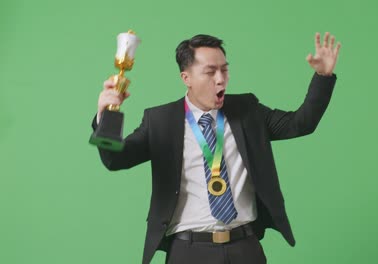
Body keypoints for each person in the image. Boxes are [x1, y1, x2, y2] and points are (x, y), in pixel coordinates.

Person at [92, 32, 341, 264]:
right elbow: (116, 160)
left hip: (245, 246)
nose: (220, 79)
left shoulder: (248, 110)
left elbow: (300, 124)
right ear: (186, 78)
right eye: (210, 72)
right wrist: (106, 115)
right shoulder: (160, 120)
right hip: (188, 251)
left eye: (224, 70)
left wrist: (323, 77)